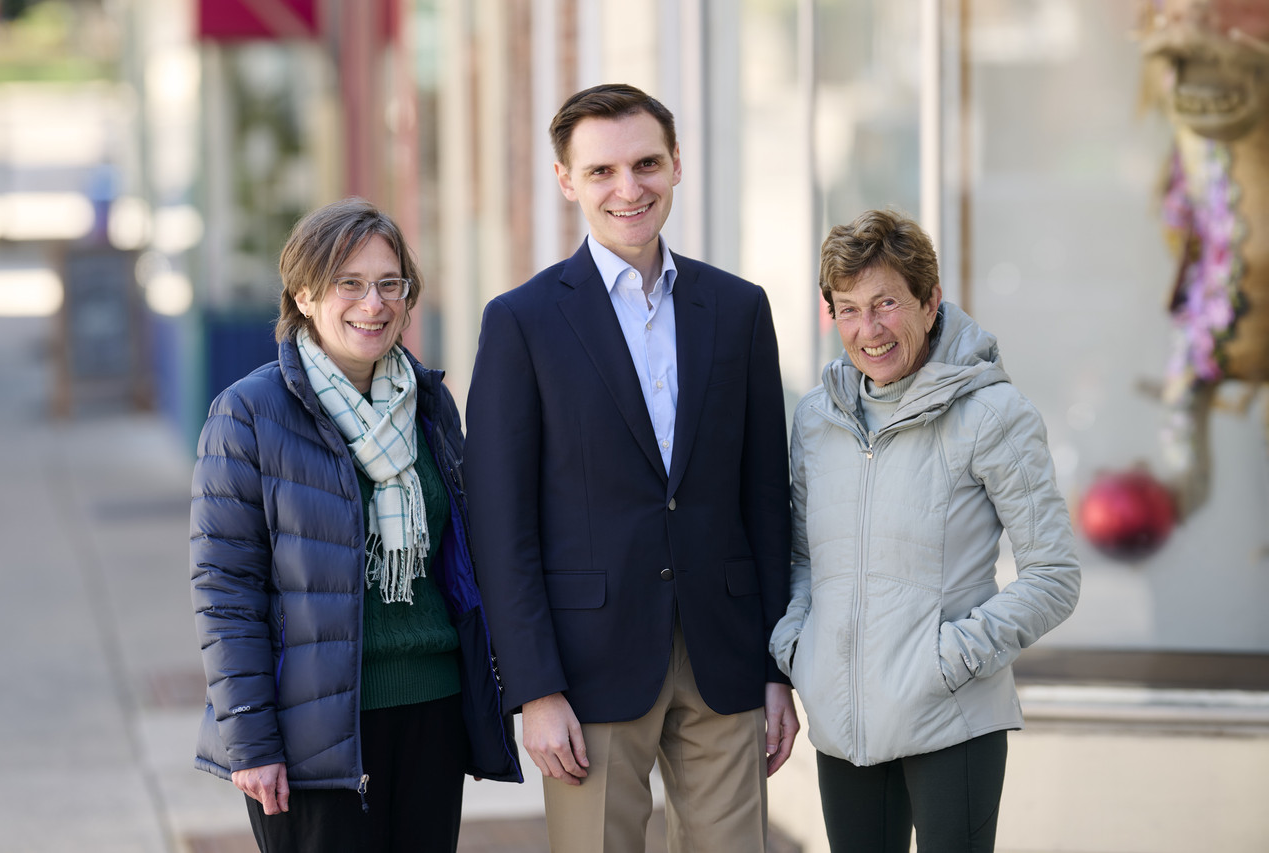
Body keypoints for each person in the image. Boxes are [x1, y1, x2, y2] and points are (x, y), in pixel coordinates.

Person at [463, 83, 797, 853]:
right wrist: (535, 687)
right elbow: (500, 521)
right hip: (587, 669)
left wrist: (780, 665)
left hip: (727, 655)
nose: (628, 188)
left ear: (677, 165)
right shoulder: (523, 322)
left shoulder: (739, 309)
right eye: (603, 170)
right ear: (565, 180)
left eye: (646, 163)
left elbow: (764, 499)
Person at [189, 197, 521, 853]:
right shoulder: (249, 414)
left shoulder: (429, 403)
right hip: (313, 726)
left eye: (389, 284)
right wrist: (251, 737)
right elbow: (225, 590)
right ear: (305, 294)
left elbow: (463, 560)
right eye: (350, 283)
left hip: (432, 709)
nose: (373, 303)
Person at [769, 208, 1080, 853]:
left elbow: (1054, 576)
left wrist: (950, 660)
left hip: (950, 716)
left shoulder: (994, 414)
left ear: (930, 301)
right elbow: (800, 558)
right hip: (843, 721)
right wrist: (802, 644)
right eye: (849, 309)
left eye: (887, 304)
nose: (869, 330)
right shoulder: (815, 420)